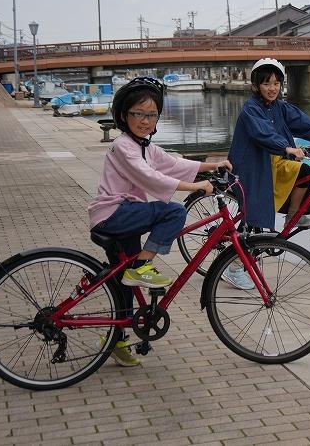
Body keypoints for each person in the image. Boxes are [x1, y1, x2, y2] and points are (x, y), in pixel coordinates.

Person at [88, 76, 231, 367]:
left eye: (151, 115)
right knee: (174, 212)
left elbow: (173, 164)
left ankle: (116, 339)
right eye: (138, 114)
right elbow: (150, 177)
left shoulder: (144, 146)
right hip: (114, 214)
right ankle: (143, 265)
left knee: (124, 285)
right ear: (123, 115)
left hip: (124, 216)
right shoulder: (124, 146)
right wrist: (196, 187)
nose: (145, 121)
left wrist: (212, 165)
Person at [229, 58, 310, 235]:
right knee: (254, 212)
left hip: (273, 160)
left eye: (276, 83)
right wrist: (287, 148)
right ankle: (242, 244)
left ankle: (294, 216)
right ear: (255, 86)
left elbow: (303, 122)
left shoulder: (280, 107)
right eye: (266, 84)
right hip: (253, 164)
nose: (272, 88)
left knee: (304, 171)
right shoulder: (251, 108)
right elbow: (263, 133)